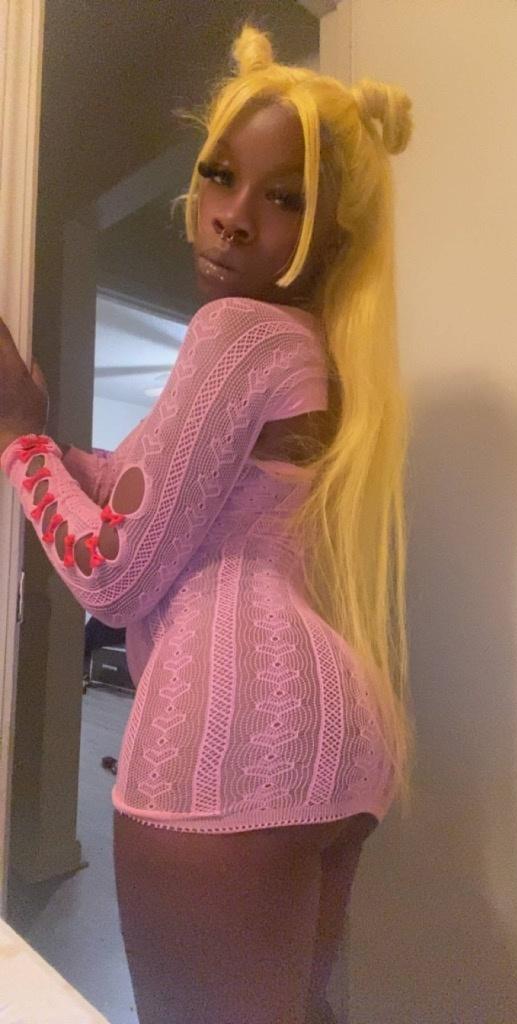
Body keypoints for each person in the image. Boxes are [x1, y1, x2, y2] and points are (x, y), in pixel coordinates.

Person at [0, 21, 414, 1024]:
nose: (231, 218)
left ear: (333, 233)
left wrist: (16, 441)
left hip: (228, 743)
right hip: (339, 741)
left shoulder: (237, 334)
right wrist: (52, 441)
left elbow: (110, 573)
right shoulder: (316, 350)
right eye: (221, 176)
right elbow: (139, 489)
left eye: (284, 199)